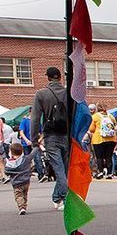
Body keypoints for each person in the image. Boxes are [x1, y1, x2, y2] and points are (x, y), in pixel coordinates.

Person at [31, 66, 72, 209]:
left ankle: (65, 199)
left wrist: (34, 140)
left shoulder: (41, 94)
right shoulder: (68, 93)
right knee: (64, 169)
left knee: (58, 169)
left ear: (48, 78)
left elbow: (35, 118)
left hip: (51, 135)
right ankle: (57, 197)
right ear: (60, 77)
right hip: (66, 133)